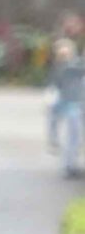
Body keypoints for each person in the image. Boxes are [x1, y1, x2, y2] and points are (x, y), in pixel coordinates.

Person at [48, 38, 85, 178]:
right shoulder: (67, 67)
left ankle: (70, 164)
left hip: (73, 104)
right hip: (72, 104)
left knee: (74, 138)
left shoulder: (65, 66)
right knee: (73, 138)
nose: (64, 54)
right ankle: (70, 166)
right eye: (62, 52)